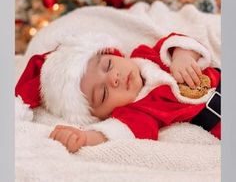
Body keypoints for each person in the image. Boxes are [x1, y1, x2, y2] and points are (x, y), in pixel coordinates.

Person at [15, 33, 221, 154]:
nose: (113, 78)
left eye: (108, 65)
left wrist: (183, 56)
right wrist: (83, 137)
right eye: (103, 93)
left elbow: (179, 40)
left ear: (114, 54)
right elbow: (115, 132)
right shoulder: (136, 112)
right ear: (104, 114)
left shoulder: (147, 55)